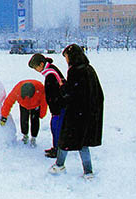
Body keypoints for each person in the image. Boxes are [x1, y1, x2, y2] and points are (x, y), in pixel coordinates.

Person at [48, 44, 104, 179]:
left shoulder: (75, 71)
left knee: (65, 139)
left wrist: (62, 88)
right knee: (82, 142)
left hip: (76, 113)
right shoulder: (89, 69)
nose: (66, 60)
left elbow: (72, 93)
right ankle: (88, 172)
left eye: (66, 57)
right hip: (89, 112)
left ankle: (59, 165)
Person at [28, 54, 66, 158]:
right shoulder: (50, 71)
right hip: (58, 106)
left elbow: (56, 93)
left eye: (36, 68)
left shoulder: (51, 73)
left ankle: (58, 150)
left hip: (59, 106)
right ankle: (56, 147)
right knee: (55, 127)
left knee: (56, 127)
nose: (37, 70)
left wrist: (55, 108)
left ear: (41, 64)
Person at [0, 80, 47, 147]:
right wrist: (4, 116)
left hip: (35, 106)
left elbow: (44, 103)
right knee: (23, 119)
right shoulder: (17, 89)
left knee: (35, 121)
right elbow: (8, 102)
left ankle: (33, 137)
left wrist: (42, 114)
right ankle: (25, 135)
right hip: (23, 105)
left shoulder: (40, 88)